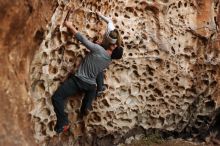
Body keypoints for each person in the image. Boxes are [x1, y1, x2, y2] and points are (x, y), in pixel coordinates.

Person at [51, 20, 123, 134]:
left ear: (110, 44)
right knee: (97, 74)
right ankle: (87, 105)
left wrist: (70, 26)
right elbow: (102, 52)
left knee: (57, 97)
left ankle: (63, 121)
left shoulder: (98, 49)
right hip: (90, 86)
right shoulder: (108, 60)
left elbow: (82, 39)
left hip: (78, 81)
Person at [95, 12, 123, 97]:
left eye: (112, 44)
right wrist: (99, 15)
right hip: (108, 48)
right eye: (110, 42)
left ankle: (100, 88)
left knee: (99, 66)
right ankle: (101, 86)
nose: (111, 44)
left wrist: (100, 45)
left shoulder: (114, 47)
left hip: (115, 52)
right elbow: (109, 21)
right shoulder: (110, 29)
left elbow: (109, 48)